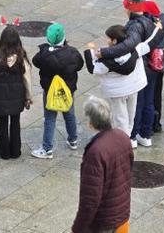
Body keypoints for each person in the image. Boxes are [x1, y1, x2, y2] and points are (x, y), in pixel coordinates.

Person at [71, 95, 133, 233]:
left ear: (91, 123)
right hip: (121, 213)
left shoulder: (96, 151)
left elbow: (91, 198)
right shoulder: (122, 137)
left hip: (104, 221)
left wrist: (78, 227)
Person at [84, 25, 149, 138]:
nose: (106, 40)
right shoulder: (134, 49)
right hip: (134, 87)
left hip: (118, 92)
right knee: (130, 114)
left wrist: (89, 52)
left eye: (108, 38)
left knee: (120, 117)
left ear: (114, 41)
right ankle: (128, 137)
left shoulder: (106, 60)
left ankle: (122, 140)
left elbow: (93, 68)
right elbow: (147, 45)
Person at [31, 23, 84, 159]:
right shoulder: (72, 52)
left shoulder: (44, 55)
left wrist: (45, 49)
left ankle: (47, 148)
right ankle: (73, 140)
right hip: (67, 90)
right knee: (69, 114)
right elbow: (80, 65)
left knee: (49, 118)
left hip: (50, 91)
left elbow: (35, 61)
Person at [0, 25, 33, 160]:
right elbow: (27, 80)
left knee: (2, 123)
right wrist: (28, 96)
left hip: (0, 96)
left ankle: (4, 152)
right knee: (16, 122)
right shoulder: (21, 59)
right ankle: (15, 150)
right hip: (17, 96)